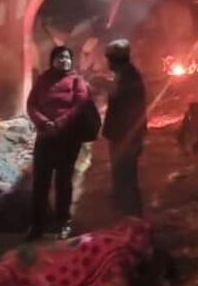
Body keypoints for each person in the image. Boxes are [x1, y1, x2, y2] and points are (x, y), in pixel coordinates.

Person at [25, 45, 93, 239]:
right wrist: (43, 121)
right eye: (60, 57)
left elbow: (80, 107)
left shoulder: (77, 81)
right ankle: (37, 225)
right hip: (45, 137)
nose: (64, 61)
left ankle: (63, 222)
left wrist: (60, 123)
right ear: (52, 60)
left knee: (63, 182)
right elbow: (31, 104)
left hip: (67, 140)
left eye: (67, 58)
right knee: (40, 183)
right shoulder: (42, 80)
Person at [102, 40, 148, 217]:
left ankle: (133, 216)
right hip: (121, 135)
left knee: (126, 176)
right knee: (121, 174)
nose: (108, 63)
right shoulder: (124, 75)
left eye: (110, 59)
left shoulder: (128, 77)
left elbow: (127, 107)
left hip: (126, 136)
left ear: (116, 59)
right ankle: (123, 209)